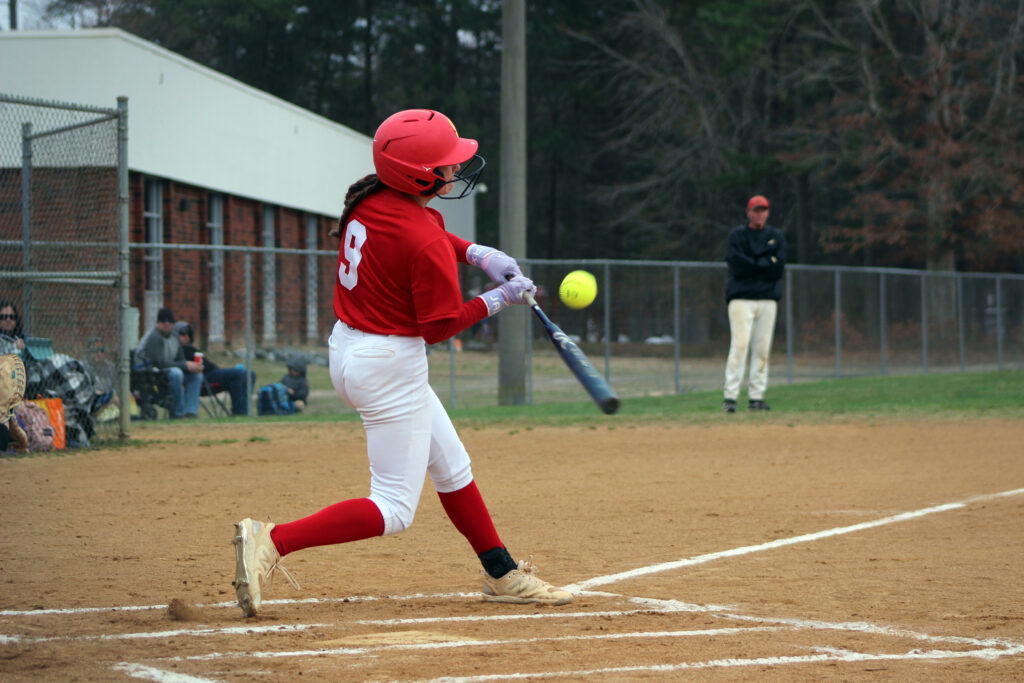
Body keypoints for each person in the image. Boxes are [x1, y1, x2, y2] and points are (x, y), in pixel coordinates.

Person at [231, 108, 574, 618]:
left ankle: (500, 573)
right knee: (393, 508)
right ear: (419, 174)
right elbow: (437, 326)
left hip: (351, 349)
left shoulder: (373, 197)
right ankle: (273, 540)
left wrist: (477, 253)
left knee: (452, 467)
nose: (455, 170)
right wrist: (500, 299)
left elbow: (426, 237)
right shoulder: (424, 236)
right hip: (391, 364)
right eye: (446, 164)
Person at [723, 195, 786, 413]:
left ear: (767, 213)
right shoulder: (737, 236)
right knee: (740, 346)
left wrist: (755, 263)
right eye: (756, 210)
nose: (759, 214)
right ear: (748, 212)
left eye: (763, 210)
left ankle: (756, 397)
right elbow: (738, 265)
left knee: (762, 349)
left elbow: (778, 268)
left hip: (767, 299)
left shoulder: (775, 236)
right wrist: (763, 263)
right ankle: (730, 397)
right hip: (741, 299)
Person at [174, 321, 254, 416]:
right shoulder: (176, 350)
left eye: (188, 334)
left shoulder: (191, 349)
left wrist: (218, 368)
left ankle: (244, 410)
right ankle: (239, 412)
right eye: (182, 334)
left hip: (212, 372)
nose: (186, 336)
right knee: (237, 374)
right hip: (201, 378)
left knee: (250, 375)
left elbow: (207, 364)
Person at [136, 307, 201, 419]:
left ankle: (190, 412)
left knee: (196, 376)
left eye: (170, 321)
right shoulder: (154, 337)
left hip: (168, 373)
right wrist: (185, 365)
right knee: (176, 373)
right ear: (157, 323)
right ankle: (178, 412)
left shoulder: (175, 337)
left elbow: (180, 359)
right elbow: (158, 363)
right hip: (152, 375)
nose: (167, 324)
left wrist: (192, 366)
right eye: (163, 321)